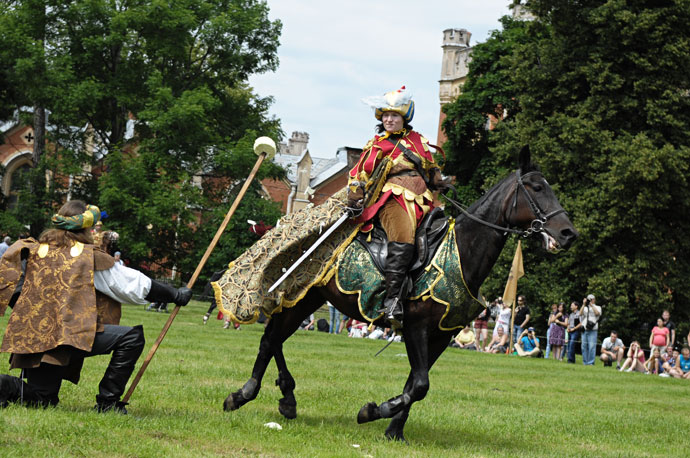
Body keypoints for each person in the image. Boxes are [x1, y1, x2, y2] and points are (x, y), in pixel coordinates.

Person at [0, 200, 191, 413]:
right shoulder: (86, 257)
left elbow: (14, 289)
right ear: (86, 228)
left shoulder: (35, 251)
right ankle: (107, 404)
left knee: (42, 400)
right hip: (69, 336)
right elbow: (134, 285)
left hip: (35, 337)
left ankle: (2, 384)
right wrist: (175, 294)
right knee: (131, 338)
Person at [347, 86, 449, 327]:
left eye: (394, 115)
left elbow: (430, 168)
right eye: (385, 115)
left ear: (404, 117)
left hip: (423, 199)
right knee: (403, 235)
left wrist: (439, 181)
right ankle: (392, 301)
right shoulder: (376, 144)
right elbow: (359, 174)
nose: (389, 119)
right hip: (391, 198)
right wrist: (355, 194)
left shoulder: (418, 140)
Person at [579, 294, 601, 366]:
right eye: (590, 299)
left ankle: (591, 362)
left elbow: (597, 313)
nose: (591, 301)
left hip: (593, 329)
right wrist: (583, 304)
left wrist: (592, 306)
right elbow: (580, 313)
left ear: (594, 299)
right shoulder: (585, 307)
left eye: (592, 299)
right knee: (583, 346)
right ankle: (585, 362)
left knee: (592, 347)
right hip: (585, 328)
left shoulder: (598, 307)